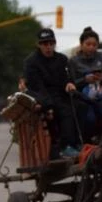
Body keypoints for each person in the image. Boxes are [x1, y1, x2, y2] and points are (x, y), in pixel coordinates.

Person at [23, 27, 79, 158]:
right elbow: (35, 86)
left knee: (81, 106)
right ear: (39, 45)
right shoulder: (31, 62)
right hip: (41, 95)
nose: (48, 47)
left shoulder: (62, 59)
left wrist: (70, 83)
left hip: (61, 93)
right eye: (44, 44)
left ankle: (80, 142)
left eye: (50, 43)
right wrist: (48, 105)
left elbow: (68, 77)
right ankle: (65, 146)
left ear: (54, 43)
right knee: (61, 109)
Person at [69, 26, 102, 136]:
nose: (91, 47)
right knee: (89, 118)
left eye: (94, 45)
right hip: (83, 97)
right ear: (81, 45)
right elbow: (72, 83)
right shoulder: (74, 61)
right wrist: (85, 80)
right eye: (88, 44)